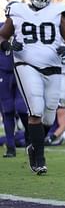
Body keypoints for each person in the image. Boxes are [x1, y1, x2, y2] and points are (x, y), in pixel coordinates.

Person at [0, 0, 65, 175]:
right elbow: (2, 36)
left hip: (53, 67)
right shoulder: (17, 10)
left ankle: (33, 146)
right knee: (36, 108)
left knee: (49, 115)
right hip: (25, 64)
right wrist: (8, 45)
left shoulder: (58, 12)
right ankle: (39, 160)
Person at [0, 22, 28, 157]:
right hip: (3, 73)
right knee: (8, 110)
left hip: (21, 71)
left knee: (22, 108)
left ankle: (31, 141)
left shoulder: (25, 28)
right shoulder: (2, 28)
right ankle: (11, 147)